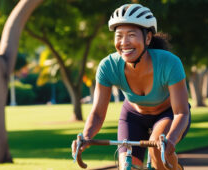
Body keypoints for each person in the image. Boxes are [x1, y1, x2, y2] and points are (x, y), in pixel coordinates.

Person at [72, 3, 191, 170]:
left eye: (131, 35)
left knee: (157, 153)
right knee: (127, 166)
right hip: (133, 117)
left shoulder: (169, 63)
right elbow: (98, 114)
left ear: (148, 38)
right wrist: (85, 137)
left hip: (168, 114)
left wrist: (170, 139)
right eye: (119, 36)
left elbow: (181, 112)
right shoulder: (108, 66)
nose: (124, 42)